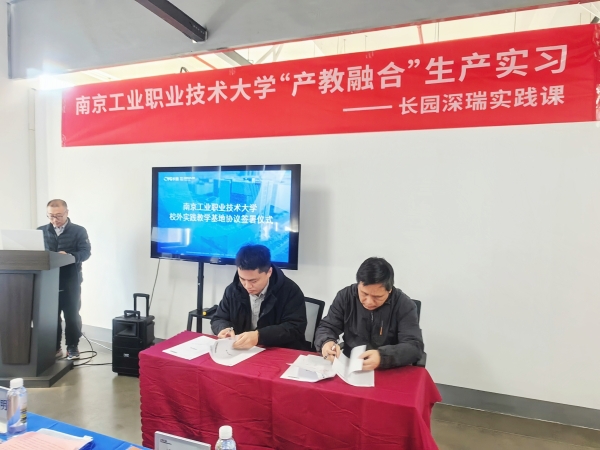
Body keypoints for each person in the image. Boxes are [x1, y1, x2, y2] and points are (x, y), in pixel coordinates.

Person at [314, 257, 423, 370]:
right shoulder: (345, 297)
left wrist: (382, 357)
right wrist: (326, 342)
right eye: (364, 293)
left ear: (390, 290)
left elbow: (414, 346)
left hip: (389, 368)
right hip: (351, 366)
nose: (369, 302)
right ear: (358, 285)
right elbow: (327, 327)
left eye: (377, 297)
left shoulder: (404, 305)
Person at [211, 244, 307, 350]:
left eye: (253, 281)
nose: (247, 286)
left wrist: (259, 336)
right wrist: (223, 328)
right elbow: (218, 318)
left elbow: (295, 327)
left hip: (278, 351)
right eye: (242, 279)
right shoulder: (233, 290)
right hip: (242, 351)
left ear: (269, 272)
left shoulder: (290, 291)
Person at [38, 199, 91, 360]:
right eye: (51, 216)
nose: (55, 220)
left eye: (59, 215)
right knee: (51, 316)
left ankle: (72, 347)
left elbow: (85, 252)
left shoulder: (78, 231)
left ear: (67, 213)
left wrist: (69, 256)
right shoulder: (40, 231)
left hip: (70, 279)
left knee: (72, 315)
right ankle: (54, 347)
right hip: (47, 280)